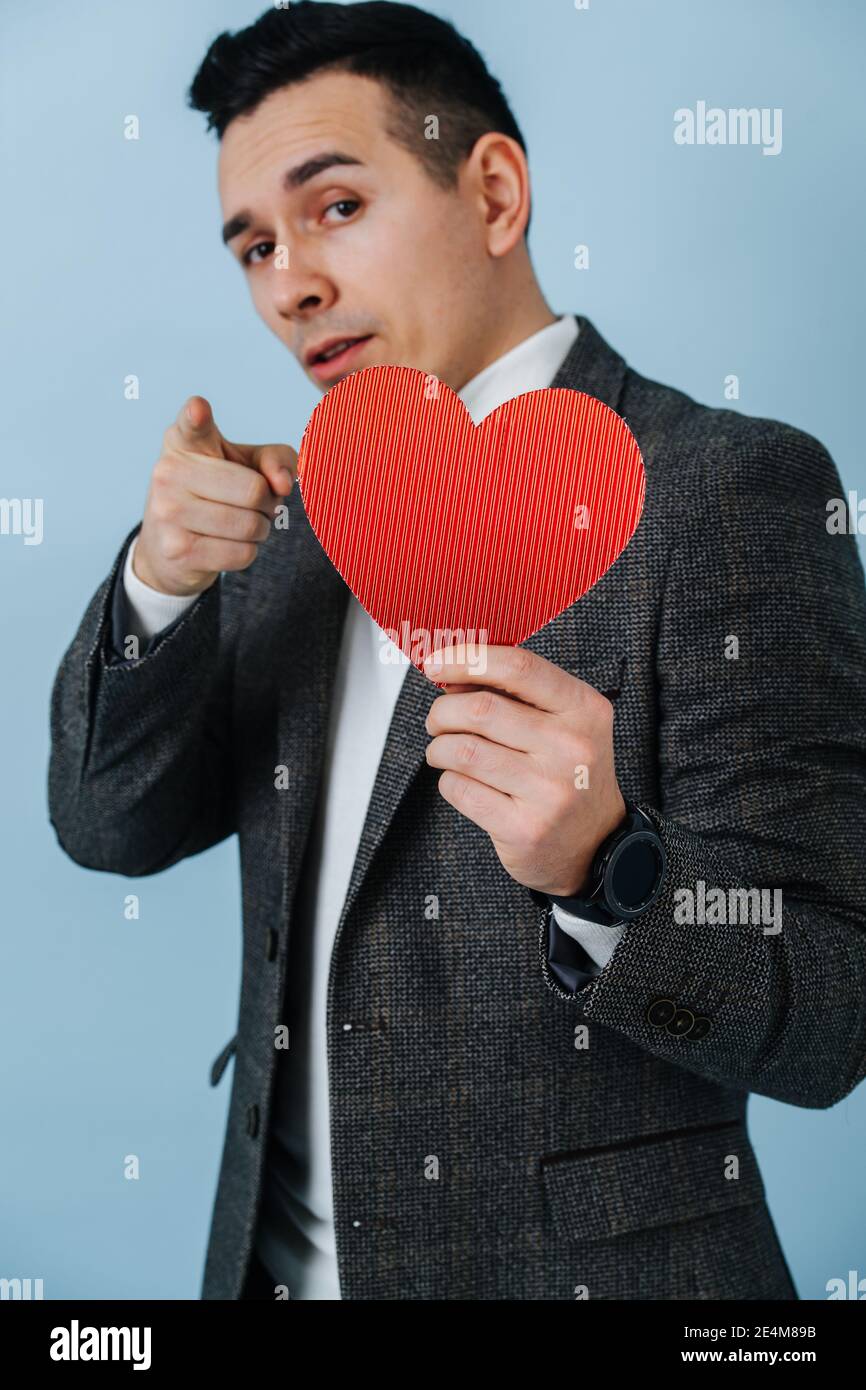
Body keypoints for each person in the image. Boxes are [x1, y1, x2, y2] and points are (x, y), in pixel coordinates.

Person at [48, 1, 866, 1301]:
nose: (287, 283)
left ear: (491, 193)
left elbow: (826, 1009)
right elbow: (108, 825)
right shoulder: (297, 517)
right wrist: (158, 581)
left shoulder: (729, 490)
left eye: (332, 209)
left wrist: (606, 867)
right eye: (251, 243)